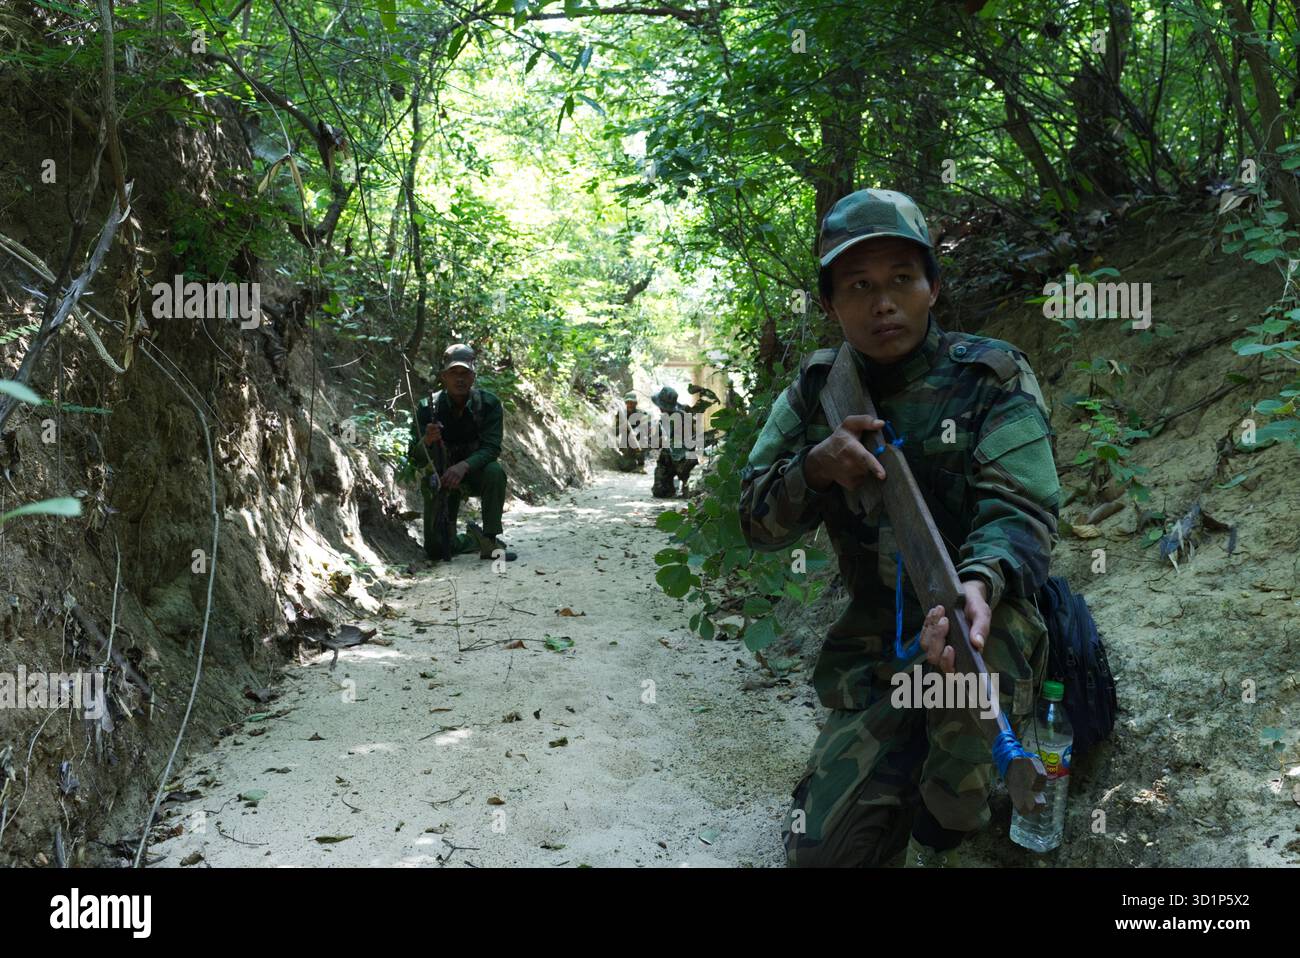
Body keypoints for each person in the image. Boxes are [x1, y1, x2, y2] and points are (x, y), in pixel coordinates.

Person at [738, 188, 1060, 867]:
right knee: (821, 854)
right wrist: (816, 469)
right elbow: (755, 522)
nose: (882, 303)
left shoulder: (991, 377)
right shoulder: (818, 392)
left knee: (949, 822)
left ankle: (952, 822)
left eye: (901, 280)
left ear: (933, 288)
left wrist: (980, 581)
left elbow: (1022, 510)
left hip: (983, 628)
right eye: (858, 286)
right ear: (831, 304)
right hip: (880, 657)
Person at [409, 344, 517, 562]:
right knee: (437, 550)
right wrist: (427, 441)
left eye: (465, 373)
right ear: (444, 377)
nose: (459, 379)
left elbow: (492, 448)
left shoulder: (489, 405)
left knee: (495, 472)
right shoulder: (426, 408)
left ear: (473, 376)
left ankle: (489, 539)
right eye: (453, 373)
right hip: (441, 479)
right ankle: (471, 539)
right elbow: (414, 457)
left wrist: (463, 466)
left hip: (474, 474)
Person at [650, 384, 718, 497]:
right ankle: (672, 485)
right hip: (668, 460)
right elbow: (656, 443)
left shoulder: (685, 415)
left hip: (685, 460)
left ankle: (686, 484)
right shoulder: (665, 418)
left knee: (692, 494)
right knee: (660, 491)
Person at [614, 392, 649, 472]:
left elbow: (646, 429)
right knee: (626, 467)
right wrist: (622, 427)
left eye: (632, 403)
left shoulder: (642, 414)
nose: (630, 405)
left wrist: (635, 432)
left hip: (640, 443)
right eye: (628, 403)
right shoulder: (621, 415)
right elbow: (615, 433)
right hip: (626, 445)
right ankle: (631, 461)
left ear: (636, 403)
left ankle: (641, 464)